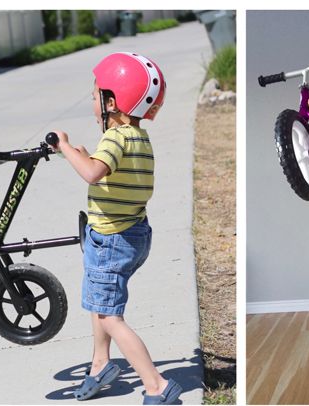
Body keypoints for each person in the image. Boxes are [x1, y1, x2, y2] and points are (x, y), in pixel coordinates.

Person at [51, 52, 182, 405]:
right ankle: (100, 363)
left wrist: (64, 146)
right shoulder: (138, 137)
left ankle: (157, 385)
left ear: (112, 102)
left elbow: (93, 173)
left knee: (109, 315)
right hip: (133, 233)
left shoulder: (115, 137)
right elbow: (107, 169)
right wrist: (78, 153)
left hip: (112, 239)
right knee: (100, 300)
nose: (93, 103)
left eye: (95, 96)